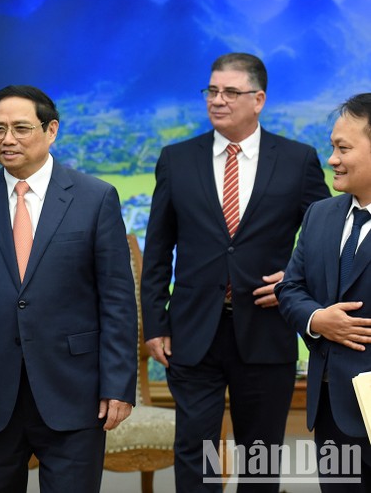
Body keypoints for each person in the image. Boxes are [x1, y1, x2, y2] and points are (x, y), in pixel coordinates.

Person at [0, 85, 137, 492]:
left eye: (20, 128)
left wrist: (118, 384)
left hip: (73, 389)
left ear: (51, 130)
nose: (7, 139)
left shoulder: (95, 198)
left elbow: (117, 299)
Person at [141, 52, 330, 491]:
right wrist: (155, 323)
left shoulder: (298, 160)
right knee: (195, 453)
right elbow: (158, 249)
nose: (217, 100)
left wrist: (295, 281)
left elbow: (325, 237)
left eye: (230, 92)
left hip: (266, 328)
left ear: (258, 99)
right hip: (192, 331)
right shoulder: (176, 159)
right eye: (211, 90)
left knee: (260, 457)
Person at [276, 93, 371, 490]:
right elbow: (290, 287)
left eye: (343, 149)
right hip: (332, 409)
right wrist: (318, 319)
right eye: (332, 147)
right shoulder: (320, 215)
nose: (332, 159)